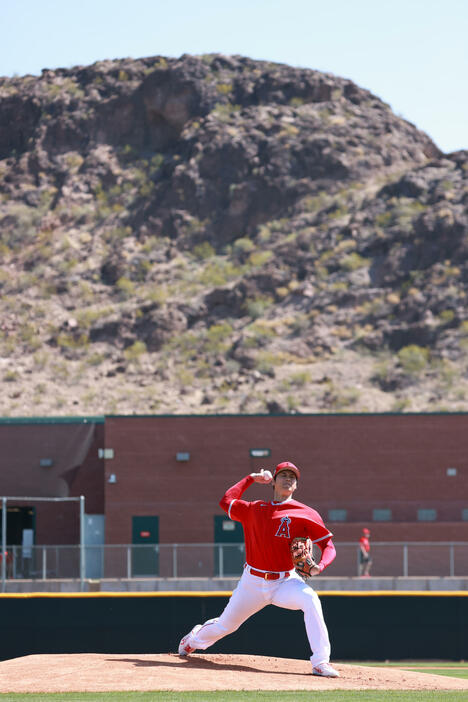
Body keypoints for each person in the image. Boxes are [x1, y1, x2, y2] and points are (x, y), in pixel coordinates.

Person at [178, 461, 340, 678]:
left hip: (285, 581)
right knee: (226, 626)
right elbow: (225, 501)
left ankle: (320, 662)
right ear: (273, 481)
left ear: (296, 486)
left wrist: (321, 566)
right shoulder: (253, 509)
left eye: (293, 477)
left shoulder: (305, 513)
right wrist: (250, 479)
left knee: (310, 600)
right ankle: (192, 640)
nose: (288, 479)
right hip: (252, 582)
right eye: (283, 475)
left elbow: (328, 545)